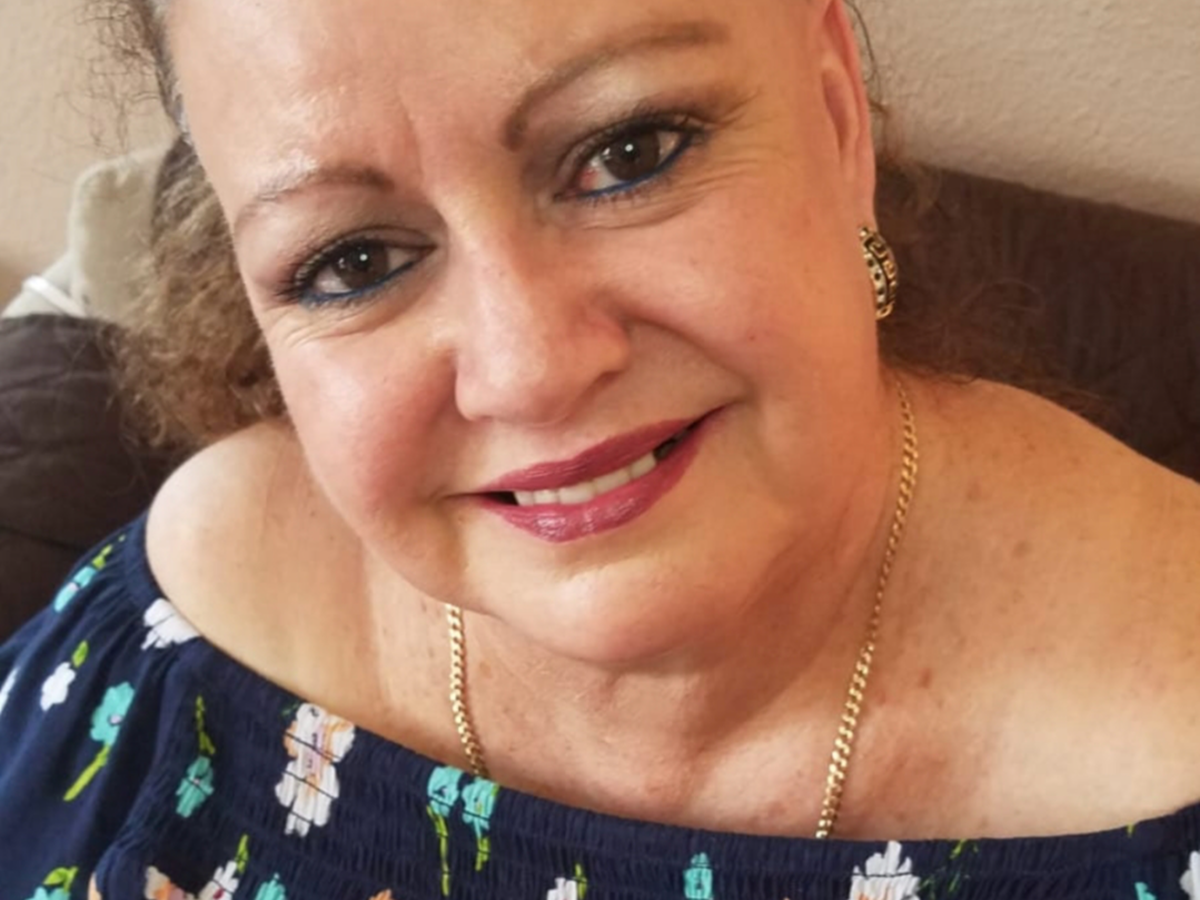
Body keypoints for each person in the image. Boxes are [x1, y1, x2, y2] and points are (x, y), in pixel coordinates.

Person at [1, 0, 1199, 897]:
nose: (527, 369)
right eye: (352, 261)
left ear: (838, 123)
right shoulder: (188, 643)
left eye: (632, 151)